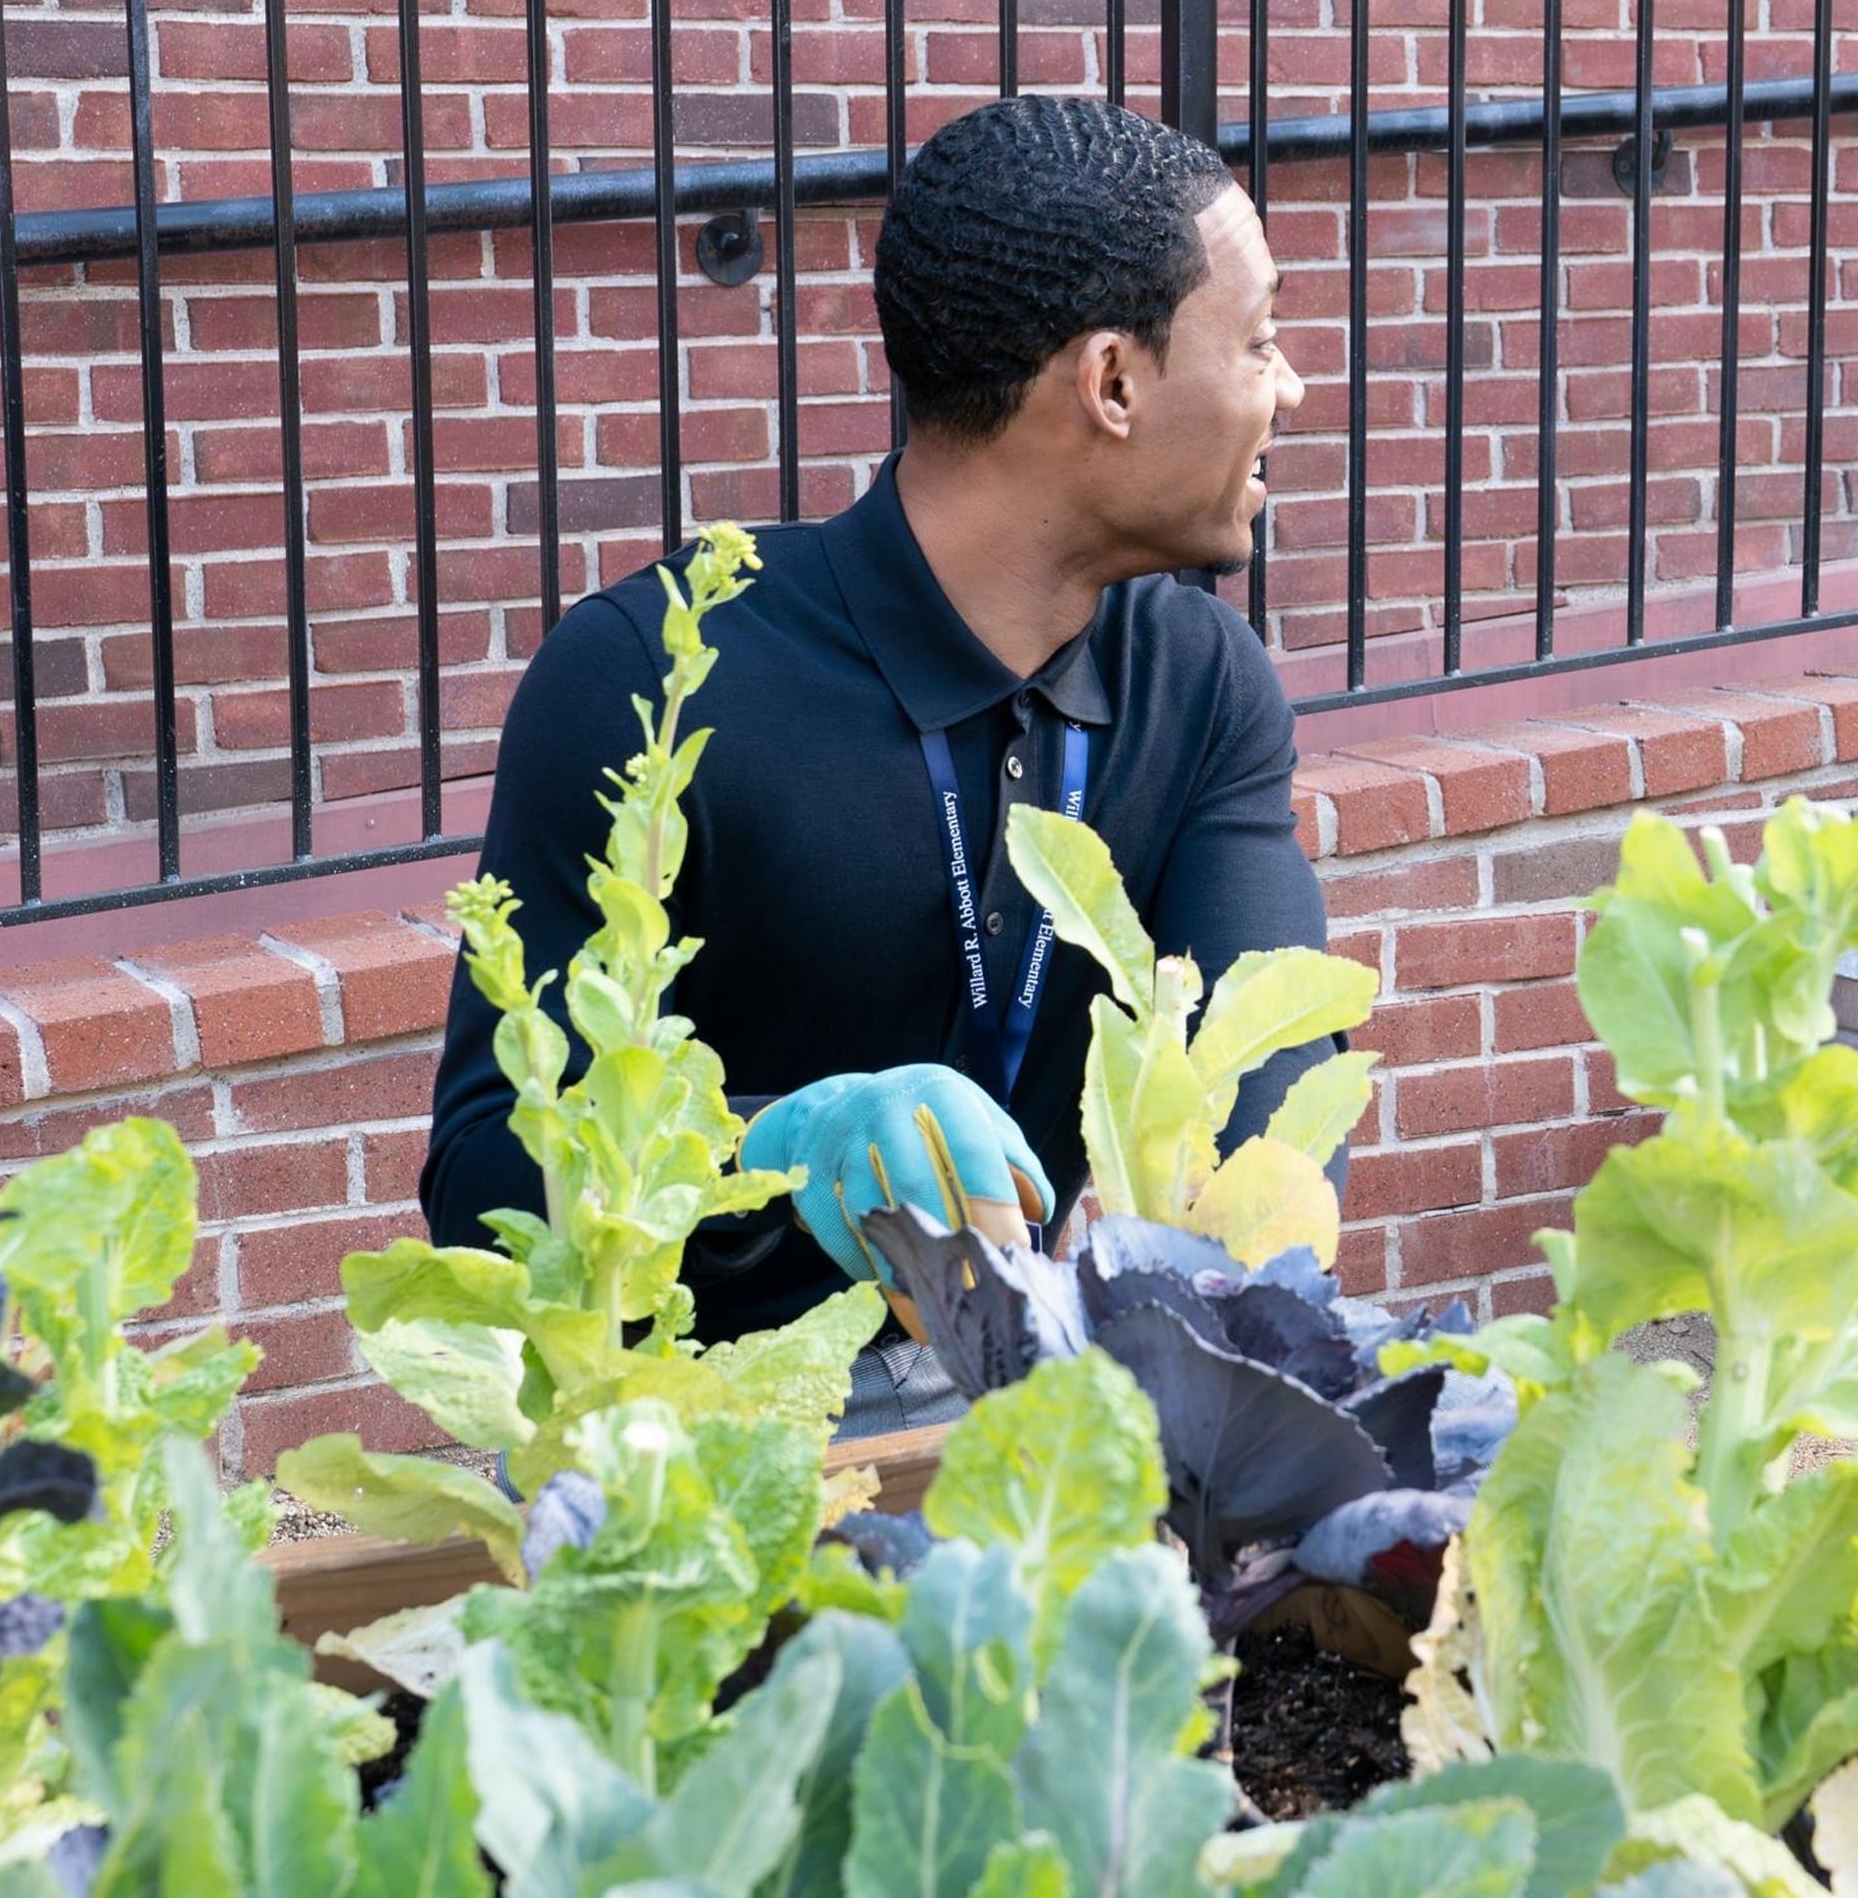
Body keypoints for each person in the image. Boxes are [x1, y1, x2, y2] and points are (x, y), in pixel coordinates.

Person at [420, 95, 1328, 1434]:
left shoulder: (1199, 687)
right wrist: (776, 1150)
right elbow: (482, 1182)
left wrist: (1212, 1236)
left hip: (1038, 1397)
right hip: (686, 1427)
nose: (1287, 387)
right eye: (1255, 342)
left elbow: (1266, 1086)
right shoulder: (651, 683)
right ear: (1113, 385)